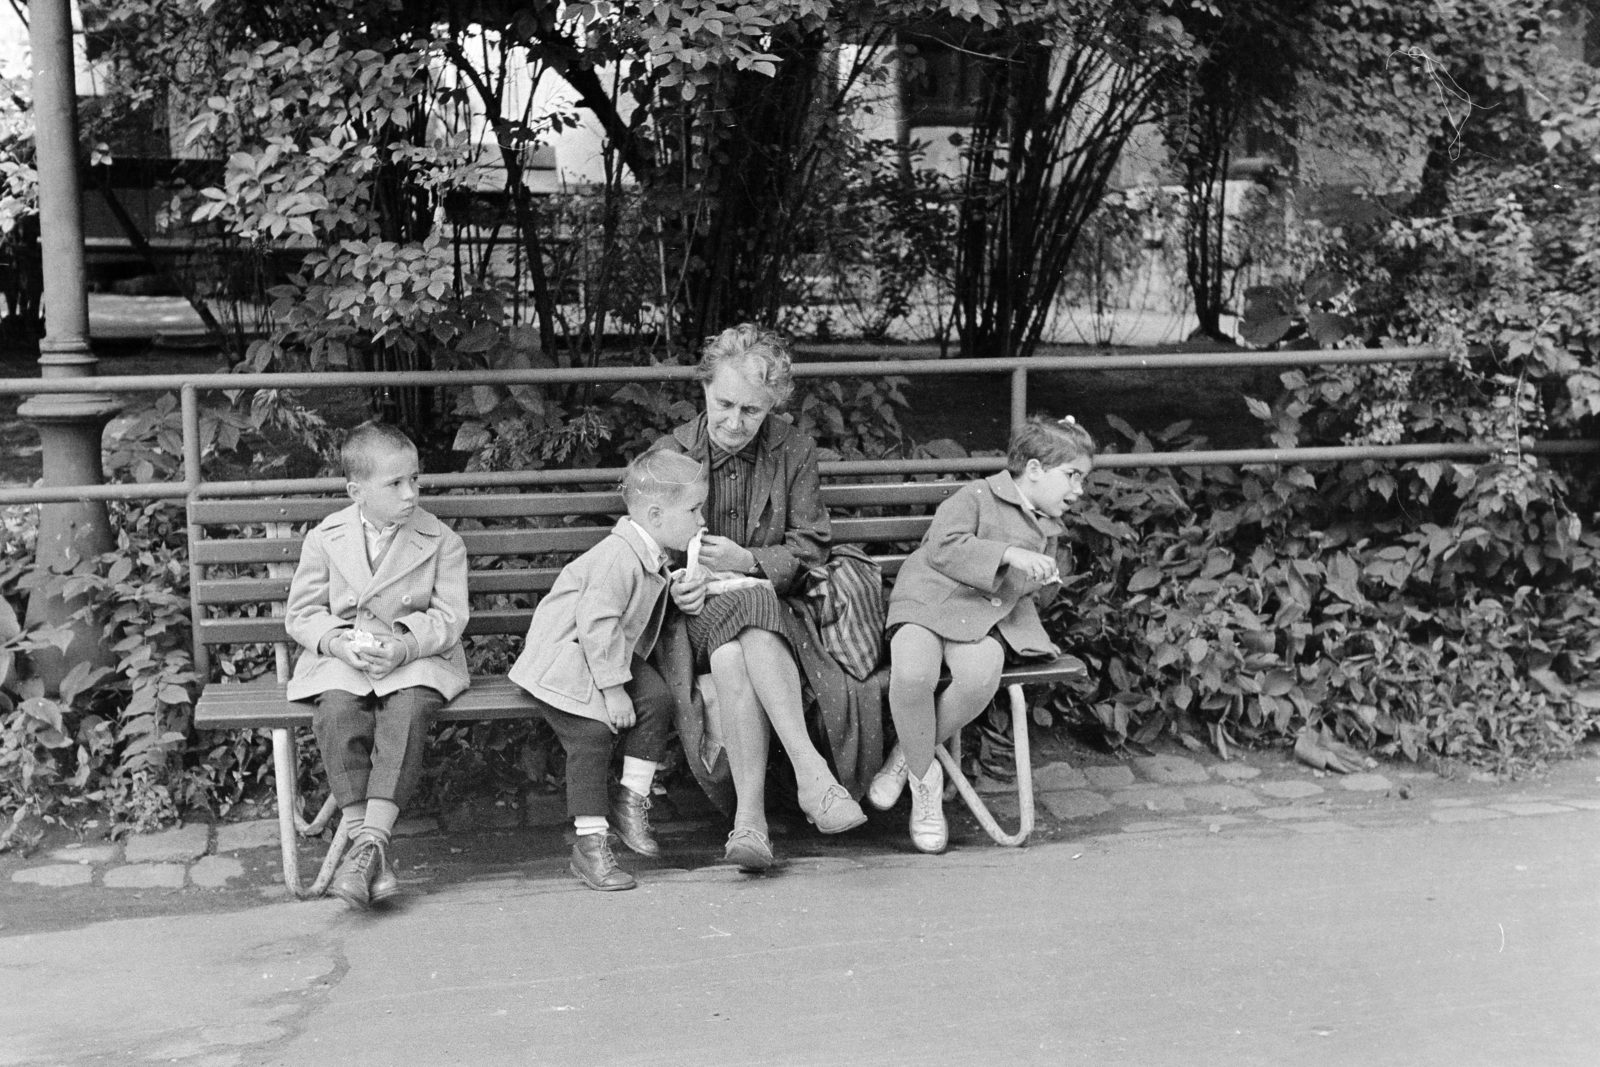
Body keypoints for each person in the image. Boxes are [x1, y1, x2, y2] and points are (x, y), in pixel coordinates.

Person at [652, 324, 878, 873]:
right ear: (703, 388)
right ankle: (811, 775)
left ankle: (749, 823)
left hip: (776, 613)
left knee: (737, 646)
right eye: (723, 403)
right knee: (737, 624)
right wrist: (676, 580)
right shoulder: (670, 454)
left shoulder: (793, 450)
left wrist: (749, 563)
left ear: (772, 405)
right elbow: (644, 545)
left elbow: (812, 545)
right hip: (693, 616)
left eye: (751, 411)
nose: (734, 422)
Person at [871, 415, 1096, 852]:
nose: (1079, 490)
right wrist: (1009, 554)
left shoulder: (1048, 525)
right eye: (1072, 476)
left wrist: (1042, 578)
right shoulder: (975, 495)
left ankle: (908, 755)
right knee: (913, 675)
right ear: (1033, 469)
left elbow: (1019, 592)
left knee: (981, 673)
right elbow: (942, 547)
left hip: (978, 620)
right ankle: (926, 784)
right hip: (924, 604)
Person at [286, 421, 470, 908]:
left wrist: (406, 646)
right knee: (337, 712)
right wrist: (339, 643)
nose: (410, 493)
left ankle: (365, 847)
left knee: (409, 709)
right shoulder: (326, 538)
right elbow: (302, 614)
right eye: (395, 484)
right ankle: (371, 850)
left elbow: (450, 616)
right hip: (348, 656)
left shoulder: (440, 539)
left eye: (415, 479)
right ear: (356, 491)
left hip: (415, 656)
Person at [508, 451, 708, 891]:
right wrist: (615, 692)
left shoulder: (648, 549)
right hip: (563, 659)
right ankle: (590, 842)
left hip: (598, 654)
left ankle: (629, 798)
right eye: (694, 510)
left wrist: (675, 587)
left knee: (656, 698)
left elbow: (625, 613)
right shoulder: (619, 557)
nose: (701, 521)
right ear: (655, 514)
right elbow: (596, 623)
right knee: (593, 732)